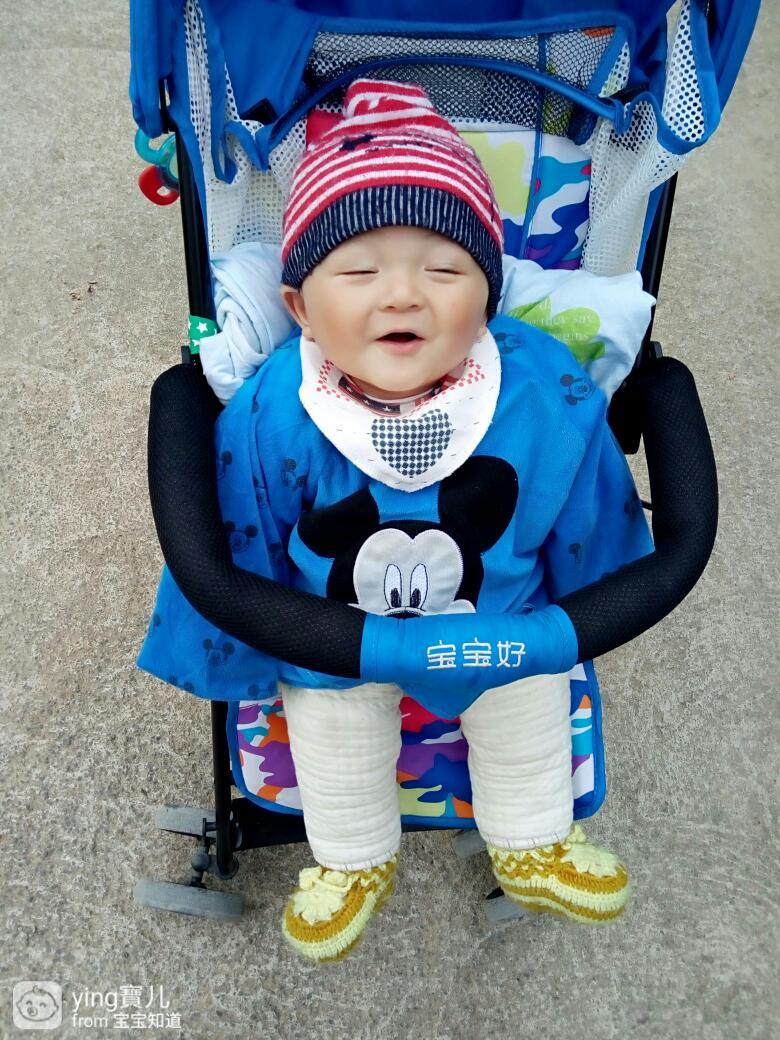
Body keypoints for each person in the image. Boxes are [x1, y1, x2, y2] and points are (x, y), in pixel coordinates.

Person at [138, 78, 654, 964]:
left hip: (501, 620)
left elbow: (587, 494)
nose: (404, 295)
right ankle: (351, 859)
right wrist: (241, 637)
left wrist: (602, 594)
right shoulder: (278, 406)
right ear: (300, 307)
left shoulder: (540, 386)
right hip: (332, 630)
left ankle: (533, 843)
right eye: (359, 271)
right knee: (328, 713)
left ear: (488, 296)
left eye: (445, 270)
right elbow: (239, 522)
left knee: (528, 689)